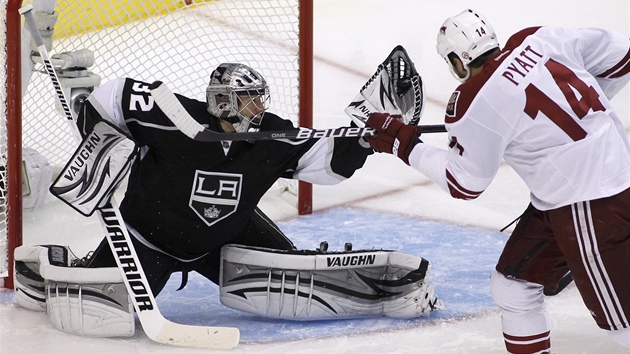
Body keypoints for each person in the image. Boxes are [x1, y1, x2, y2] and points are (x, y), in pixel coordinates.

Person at [14, 63, 442, 338]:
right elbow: (112, 96)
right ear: (224, 101)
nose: (259, 106)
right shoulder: (172, 117)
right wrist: (99, 135)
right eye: (249, 98)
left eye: (259, 97)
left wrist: (365, 140)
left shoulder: (270, 135)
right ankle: (47, 268)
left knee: (294, 277)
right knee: (105, 314)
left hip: (225, 240)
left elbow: (323, 162)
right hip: (146, 241)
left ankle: (365, 285)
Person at [364, 9, 630, 353]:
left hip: (589, 203)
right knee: (513, 286)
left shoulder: (475, 99)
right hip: (572, 195)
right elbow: (621, 54)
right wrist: (581, 123)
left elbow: (464, 184)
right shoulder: (540, 38)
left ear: (460, 61)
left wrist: (404, 144)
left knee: (623, 327)